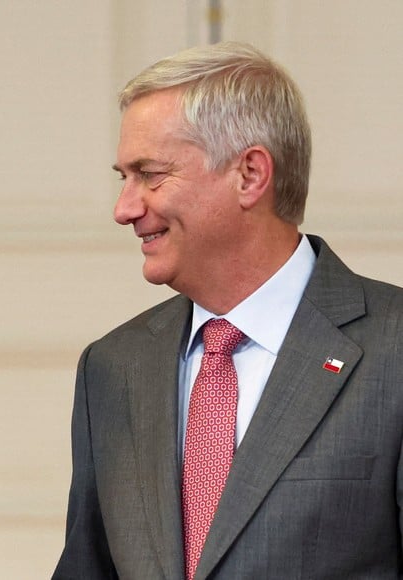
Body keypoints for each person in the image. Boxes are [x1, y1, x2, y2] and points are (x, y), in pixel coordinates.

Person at [53, 42, 402, 579]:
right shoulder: (113, 367)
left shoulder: (392, 349)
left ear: (250, 175)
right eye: (124, 178)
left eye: (150, 174)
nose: (124, 209)